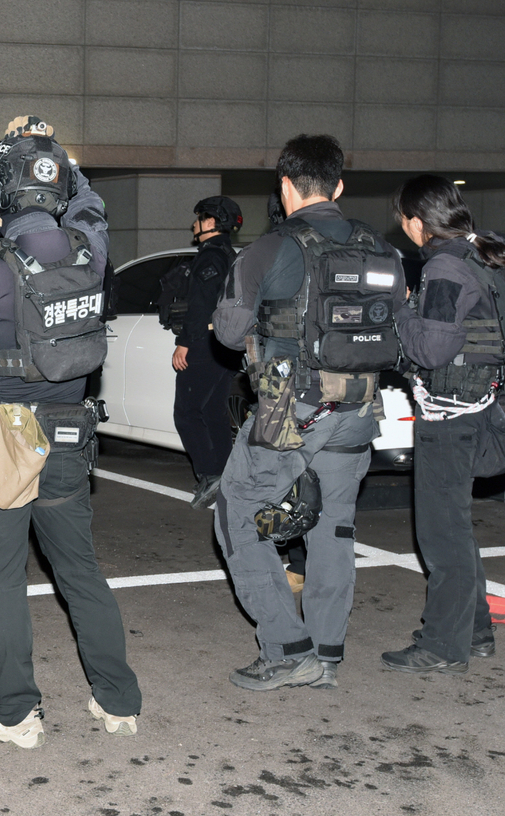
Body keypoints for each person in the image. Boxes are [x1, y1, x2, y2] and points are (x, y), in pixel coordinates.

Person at [0, 116, 142, 748]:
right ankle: (118, 702)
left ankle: (15, 713)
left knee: (3, 579)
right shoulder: (90, 250)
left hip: (0, 440)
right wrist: (58, 152)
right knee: (81, 573)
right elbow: (91, 202)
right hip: (70, 436)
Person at [212, 134, 406, 692]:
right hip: (359, 408)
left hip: (288, 408)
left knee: (238, 510)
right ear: (339, 186)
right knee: (333, 530)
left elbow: (228, 333)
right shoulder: (383, 251)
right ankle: (325, 653)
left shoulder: (273, 248)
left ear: (286, 185)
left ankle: (285, 647)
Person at [382, 175, 505, 674]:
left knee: (441, 535)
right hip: (488, 406)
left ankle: (443, 645)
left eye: (403, 221)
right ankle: (477, 630)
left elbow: (432, 348)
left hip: (449, 415)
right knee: (455, 525)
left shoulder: (443, 266)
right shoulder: (485, 251)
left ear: (417, 221)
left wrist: (399, 312)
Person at [169, 196, 242, 509]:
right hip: (227, 344)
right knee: (212, 411)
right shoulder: (231, 255)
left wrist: (184, 341)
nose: (194, 224)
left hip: (204, 343)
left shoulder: (210, 257)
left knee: (186, 414)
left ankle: (211, 473)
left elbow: (201, 303)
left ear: (212, 222)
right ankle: (225, 473)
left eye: (199, 218)